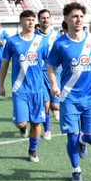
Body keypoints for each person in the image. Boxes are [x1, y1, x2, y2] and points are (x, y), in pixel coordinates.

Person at [46, 2, 91, 181]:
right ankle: (76, 170)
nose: (78, 19)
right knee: (71, 136)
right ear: (66, 19)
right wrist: (54, 84)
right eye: (74, 16)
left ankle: (83, 140)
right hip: (68, 97)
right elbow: (51, 66)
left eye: (81, 16)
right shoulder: (60, 43)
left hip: (90, 96)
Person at [0, 10, 50, 162]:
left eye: (33, 20)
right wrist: (1, 85)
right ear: (21, 22)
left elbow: (50, 65)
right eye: (27, 20)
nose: (31, 22)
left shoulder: (42, 41)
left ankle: (32, 150)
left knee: (36, 123)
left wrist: (50, 89)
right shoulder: (12, 41)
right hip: (19, 89)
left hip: (38, 89)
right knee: (21, 122)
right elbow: (5, 63)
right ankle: (22, 128)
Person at [36, 8, 59, 139]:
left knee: (55, 105)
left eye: (47, 17)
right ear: (39, 20)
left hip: (56, 72)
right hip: (39, 73)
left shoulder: (57, 36)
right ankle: (48, 129)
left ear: (51, 19)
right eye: (43, 18)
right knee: (45, 104)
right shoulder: (34, 37)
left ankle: (56, 109)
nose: (45, 20)